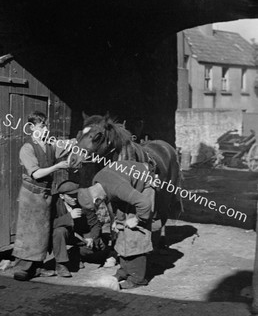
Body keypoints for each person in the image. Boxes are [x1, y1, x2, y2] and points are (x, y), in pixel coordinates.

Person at [77, 160, 156, 290]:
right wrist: (117, 221)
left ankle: (137, 278)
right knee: (120, 228)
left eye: (97, 204)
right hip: (129, 183)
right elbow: (112, 198)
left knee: (135, 233)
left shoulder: (118, 187)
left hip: (145, 184)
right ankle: (125, 270)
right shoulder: (97, 181)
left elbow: (144, 203)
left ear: (96, 199)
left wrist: (138, 219)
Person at [12, 112, 69, 281]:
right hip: (31, 195)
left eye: (46, 126)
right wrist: (58, 166)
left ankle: (36, 268)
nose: (46, 129)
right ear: (31, 127)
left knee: (42, 233)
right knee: (28, 231)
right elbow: (36, 174)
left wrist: (78, 141)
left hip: (45, 195)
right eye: (42, 126)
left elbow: (68, 146)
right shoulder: (27, 148)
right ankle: (22, 269)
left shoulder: (49, 146)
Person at [51, 180, 105, 277]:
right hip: (61, 237)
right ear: (61, 196)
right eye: (70, 196)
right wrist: (69, 217)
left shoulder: (82, 201)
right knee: (59, 231)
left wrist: (93, 238)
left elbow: (95, 224)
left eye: (76, 194)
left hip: (80, 236)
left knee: (100, 245)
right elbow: (49, 224)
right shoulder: (53, 203)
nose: (74, 198)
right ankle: (61, 265)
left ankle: (74, 255)